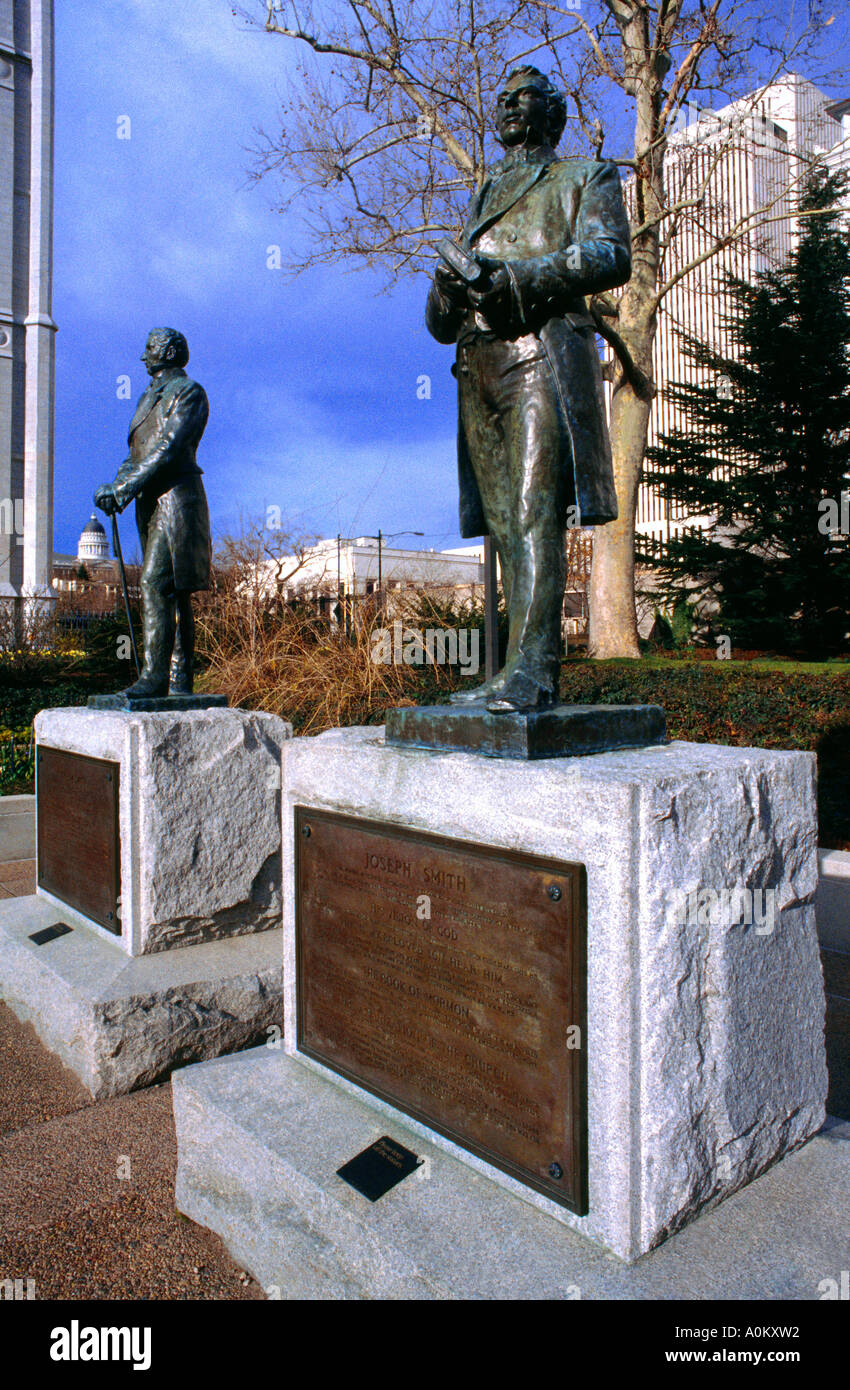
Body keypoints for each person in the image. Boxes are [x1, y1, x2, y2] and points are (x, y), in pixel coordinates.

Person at [426, 66, 631, 711]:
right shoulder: (486, 192)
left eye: (523, 95)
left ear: (553, 111)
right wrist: (446, 285)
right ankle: (512, 671)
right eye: (504, 97)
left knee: (536, 509)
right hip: (476, 367)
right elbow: (437, 325)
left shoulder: (583, 178)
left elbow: (609, 254)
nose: (507, 103)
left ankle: (535, 671)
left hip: (539, 355)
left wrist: (519, 279)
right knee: (503, 524)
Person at [94, 327, 211, 698]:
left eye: (149, 348)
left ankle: (155, 678)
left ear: (171, 351)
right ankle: (178, 682)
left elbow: (169, 448)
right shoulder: (149, 397)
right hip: (150, 501)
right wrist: (115, 486)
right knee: (172, 591)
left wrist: (125, 488)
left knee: (156, 583)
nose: (143, 356)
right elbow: (137, 455)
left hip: (177, 500)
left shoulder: (188, 392)